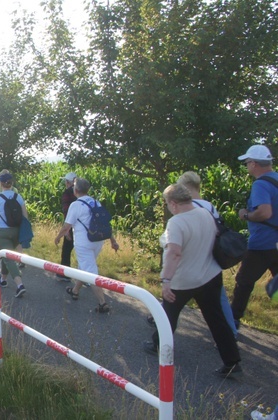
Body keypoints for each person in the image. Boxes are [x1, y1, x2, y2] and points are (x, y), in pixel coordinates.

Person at [142, 183, 242, 378]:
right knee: (217, 319)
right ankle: (232, 361)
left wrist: (166, 280)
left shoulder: (176, 223)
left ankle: (158, 345)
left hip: (184, 279)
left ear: (173, 203)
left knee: (168, 315)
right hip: (210, 275)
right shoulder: (205, 213)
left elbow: (174, 252)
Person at [54, 177, 119, 313]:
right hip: (98, 241)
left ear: (76, 190)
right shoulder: (96, 202)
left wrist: (58, 237)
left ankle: (103, 303)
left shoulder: (76, 205)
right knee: (84, 267)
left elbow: (67, 226)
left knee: (90, 272)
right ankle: (75, 291)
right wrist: (113, 240)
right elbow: (105, 224)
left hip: (84, 243)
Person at [231, 145, 278, 332]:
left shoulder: (261, 184)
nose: (247, 166)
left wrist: (245, 215)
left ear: (254, 163)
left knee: (244, 282)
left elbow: (264, 212)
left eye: (247, 162)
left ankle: (233, 321)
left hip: (262, 243)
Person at [0, 170, 28, 298]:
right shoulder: (18, 197)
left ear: (0, 183)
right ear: (11, 183)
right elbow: (25, 216)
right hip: (16, 231)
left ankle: (20, 285)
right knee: (5, 254)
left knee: (8, 258)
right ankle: (3, 279)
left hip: (0, 232)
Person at [57, 172, 77, 282]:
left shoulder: (67, 193)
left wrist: (66, 230)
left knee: (66, 249)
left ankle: (64, 273)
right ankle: (87, 278)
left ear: (68, 182)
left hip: (71, 225)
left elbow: (66, 211)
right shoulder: (82, 192)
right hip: (83, 227)